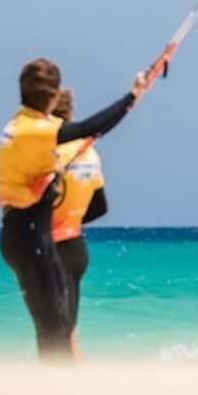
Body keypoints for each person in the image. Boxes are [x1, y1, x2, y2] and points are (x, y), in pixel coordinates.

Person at [0, 58, 146, 360]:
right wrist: (132, 97)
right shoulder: (35, 132)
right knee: (57, 327)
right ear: (52, 96)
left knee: (53, 325)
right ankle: (57, 390)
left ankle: (54, 389)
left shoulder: (16, 127)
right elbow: (92, 128)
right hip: (31, 238)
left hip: (22, 233)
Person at [49, 89, 111, 360]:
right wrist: (72, 218)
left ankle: (67, 380)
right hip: (76, 245)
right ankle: (74, 380)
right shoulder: (90, 154)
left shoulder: (51, 152)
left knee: (56, 328)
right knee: (69, 324)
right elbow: (100, 207)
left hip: (54, 246)